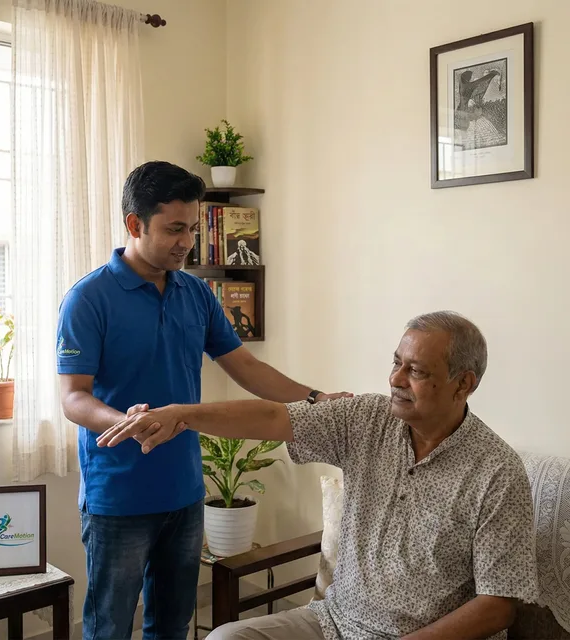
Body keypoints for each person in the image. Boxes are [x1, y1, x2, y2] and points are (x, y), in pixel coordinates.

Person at [98, 311, 539, 640]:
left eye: (416, 371)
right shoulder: (369, 418)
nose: (395, 378)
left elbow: (498, 605)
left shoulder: (496, 473)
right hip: (334, 622)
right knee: (225, 638)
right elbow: (274, 417)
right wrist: (183, 415)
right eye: (396, 362)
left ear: (464, 384)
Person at [56, 160, 351, 640]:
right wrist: (126, 421)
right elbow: (73, 398)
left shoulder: (195, 293)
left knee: (173, 624)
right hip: (118, 498)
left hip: (185, 494)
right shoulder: (88, 299)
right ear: (134, 224)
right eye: (174, 229)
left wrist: (316, 398)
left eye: (191, 229)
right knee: (109, 627)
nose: (186, 242)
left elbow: (247, 368)